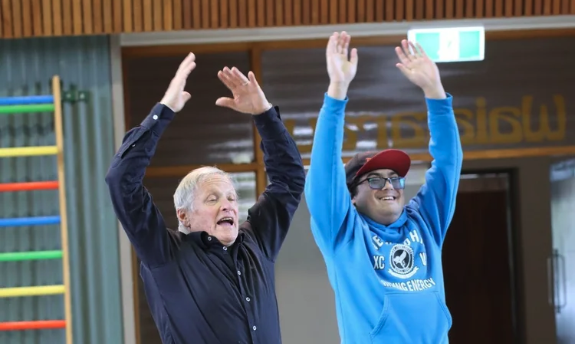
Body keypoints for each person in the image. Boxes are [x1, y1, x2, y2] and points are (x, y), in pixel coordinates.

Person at [105, 52, 305, 344]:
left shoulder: (257, 242)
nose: (227, 205)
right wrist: (164, 111)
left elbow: (289, 179)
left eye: (232, 198)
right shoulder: (165, 254)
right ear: (183, 215)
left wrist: (264, 115)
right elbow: (121, 180)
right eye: (212, 199)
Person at [305, 32, 463, 343]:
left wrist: (435, 91)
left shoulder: (425, 222)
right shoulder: (343, 233)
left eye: (395, 177)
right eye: (375, 179)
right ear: (351, 196)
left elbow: (448, 164)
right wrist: (336, 92)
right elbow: (324, 174)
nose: (389, 186)